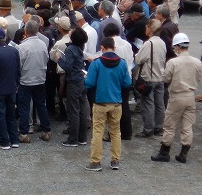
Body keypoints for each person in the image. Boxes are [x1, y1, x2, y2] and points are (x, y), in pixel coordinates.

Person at [151, 33, 202, 163]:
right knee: (187, 126)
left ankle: (164, 152)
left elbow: (166, 78)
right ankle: (183, 153)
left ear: (178, 47)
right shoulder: (197, 62)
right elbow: (199, 78)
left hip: (176, 96)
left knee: (169, 125)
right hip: (190, 96)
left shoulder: (173, 62)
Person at [83, 37, 132, 172]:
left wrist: (84, 80)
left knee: (98, 132)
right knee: (116, 132)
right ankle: (115, 161)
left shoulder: (97, 63)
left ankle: (95, 162)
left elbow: (90, 83)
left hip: (100, 102)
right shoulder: (122, 63)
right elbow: (127, 83)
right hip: (116, 103)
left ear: (102, 48)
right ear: (114, 48)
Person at [17, 20, 52, 143]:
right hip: (40, 79)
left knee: (25, 106)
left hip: (26, 80)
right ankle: (46, 131)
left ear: (26, 31)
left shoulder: (22, 47)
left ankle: (24, 132)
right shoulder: (43, 44)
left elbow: (19, 65)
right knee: (41, 105)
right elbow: (46, 59)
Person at [133, 19, 167, 138]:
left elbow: (138, 59)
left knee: (147, 104)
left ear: (150, 29)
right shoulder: (162, 42)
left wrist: (137, 55)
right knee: (159, 104)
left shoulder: (149, 43)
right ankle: (159, 127)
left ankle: (148, 129)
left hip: (149, 77)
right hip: (160, 76)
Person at [58, 28, 90, 147]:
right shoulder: (80, 48)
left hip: (73, 81)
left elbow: (67, 67)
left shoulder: (70, 49)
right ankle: (82, 137)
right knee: (81, 109)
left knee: (73, 111)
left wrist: (59, 59)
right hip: (81, 80)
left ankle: (72, 139)